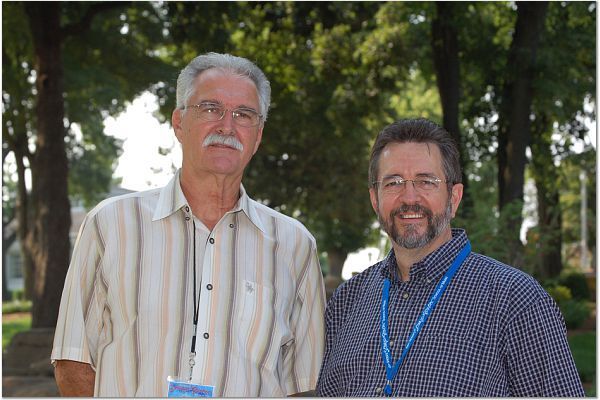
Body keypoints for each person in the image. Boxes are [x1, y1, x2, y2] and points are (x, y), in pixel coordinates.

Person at [51, 52, 325, 397]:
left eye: (243, 114)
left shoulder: (295, 245)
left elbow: (303, 384)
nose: (226, 126)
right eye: (210, 109)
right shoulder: (110, 225)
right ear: (179, 123)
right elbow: (73, 361)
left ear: (258, 136)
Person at [316, 118, 584, 397]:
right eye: (394, 182)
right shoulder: (346, 302)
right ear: (375, 199)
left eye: (426, 182)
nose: (410, 198)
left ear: (453, 198)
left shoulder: (516, 300)